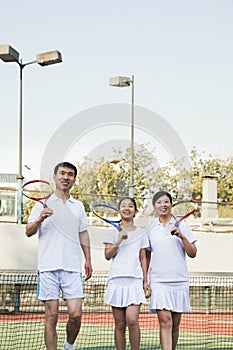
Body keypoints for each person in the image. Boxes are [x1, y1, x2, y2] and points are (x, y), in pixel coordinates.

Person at [25, 162, 92, 350]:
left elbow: (83, 233)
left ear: (74, 180)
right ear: (54, 177)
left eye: (70, 174)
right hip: (48, 268)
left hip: (72, 268)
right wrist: (40, 219)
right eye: (62, 173)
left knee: (76, 314)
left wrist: (88, 259)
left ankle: (68, 346)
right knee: (51, 315)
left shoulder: (78, 206)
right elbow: (28, 231)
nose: (66, 177)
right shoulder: (41, 204)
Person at [145, 190, 197, 350]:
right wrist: (145, 279)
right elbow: (146, 255)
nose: (163, 205)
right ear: (154, 206)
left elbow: (193, 253)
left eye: (166, 202)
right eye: (159, 202)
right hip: (159, 282)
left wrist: (182, 237)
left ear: (171, 204)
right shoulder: (150, 228)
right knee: (165, 321)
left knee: (175, 324)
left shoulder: (183, 226)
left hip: (179, 281)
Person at [103, 196, 150, 350]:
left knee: (132, 320)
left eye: (131, 206)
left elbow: (143, 257)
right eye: (123, 205)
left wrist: (145, 280)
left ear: (135, 211)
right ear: (119, 210)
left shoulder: (142, 232)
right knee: (120, 324)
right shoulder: (111, 232)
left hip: (135, 280)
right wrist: (118, 240)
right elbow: (108, 255)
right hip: (116, 280)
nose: (127, 208)